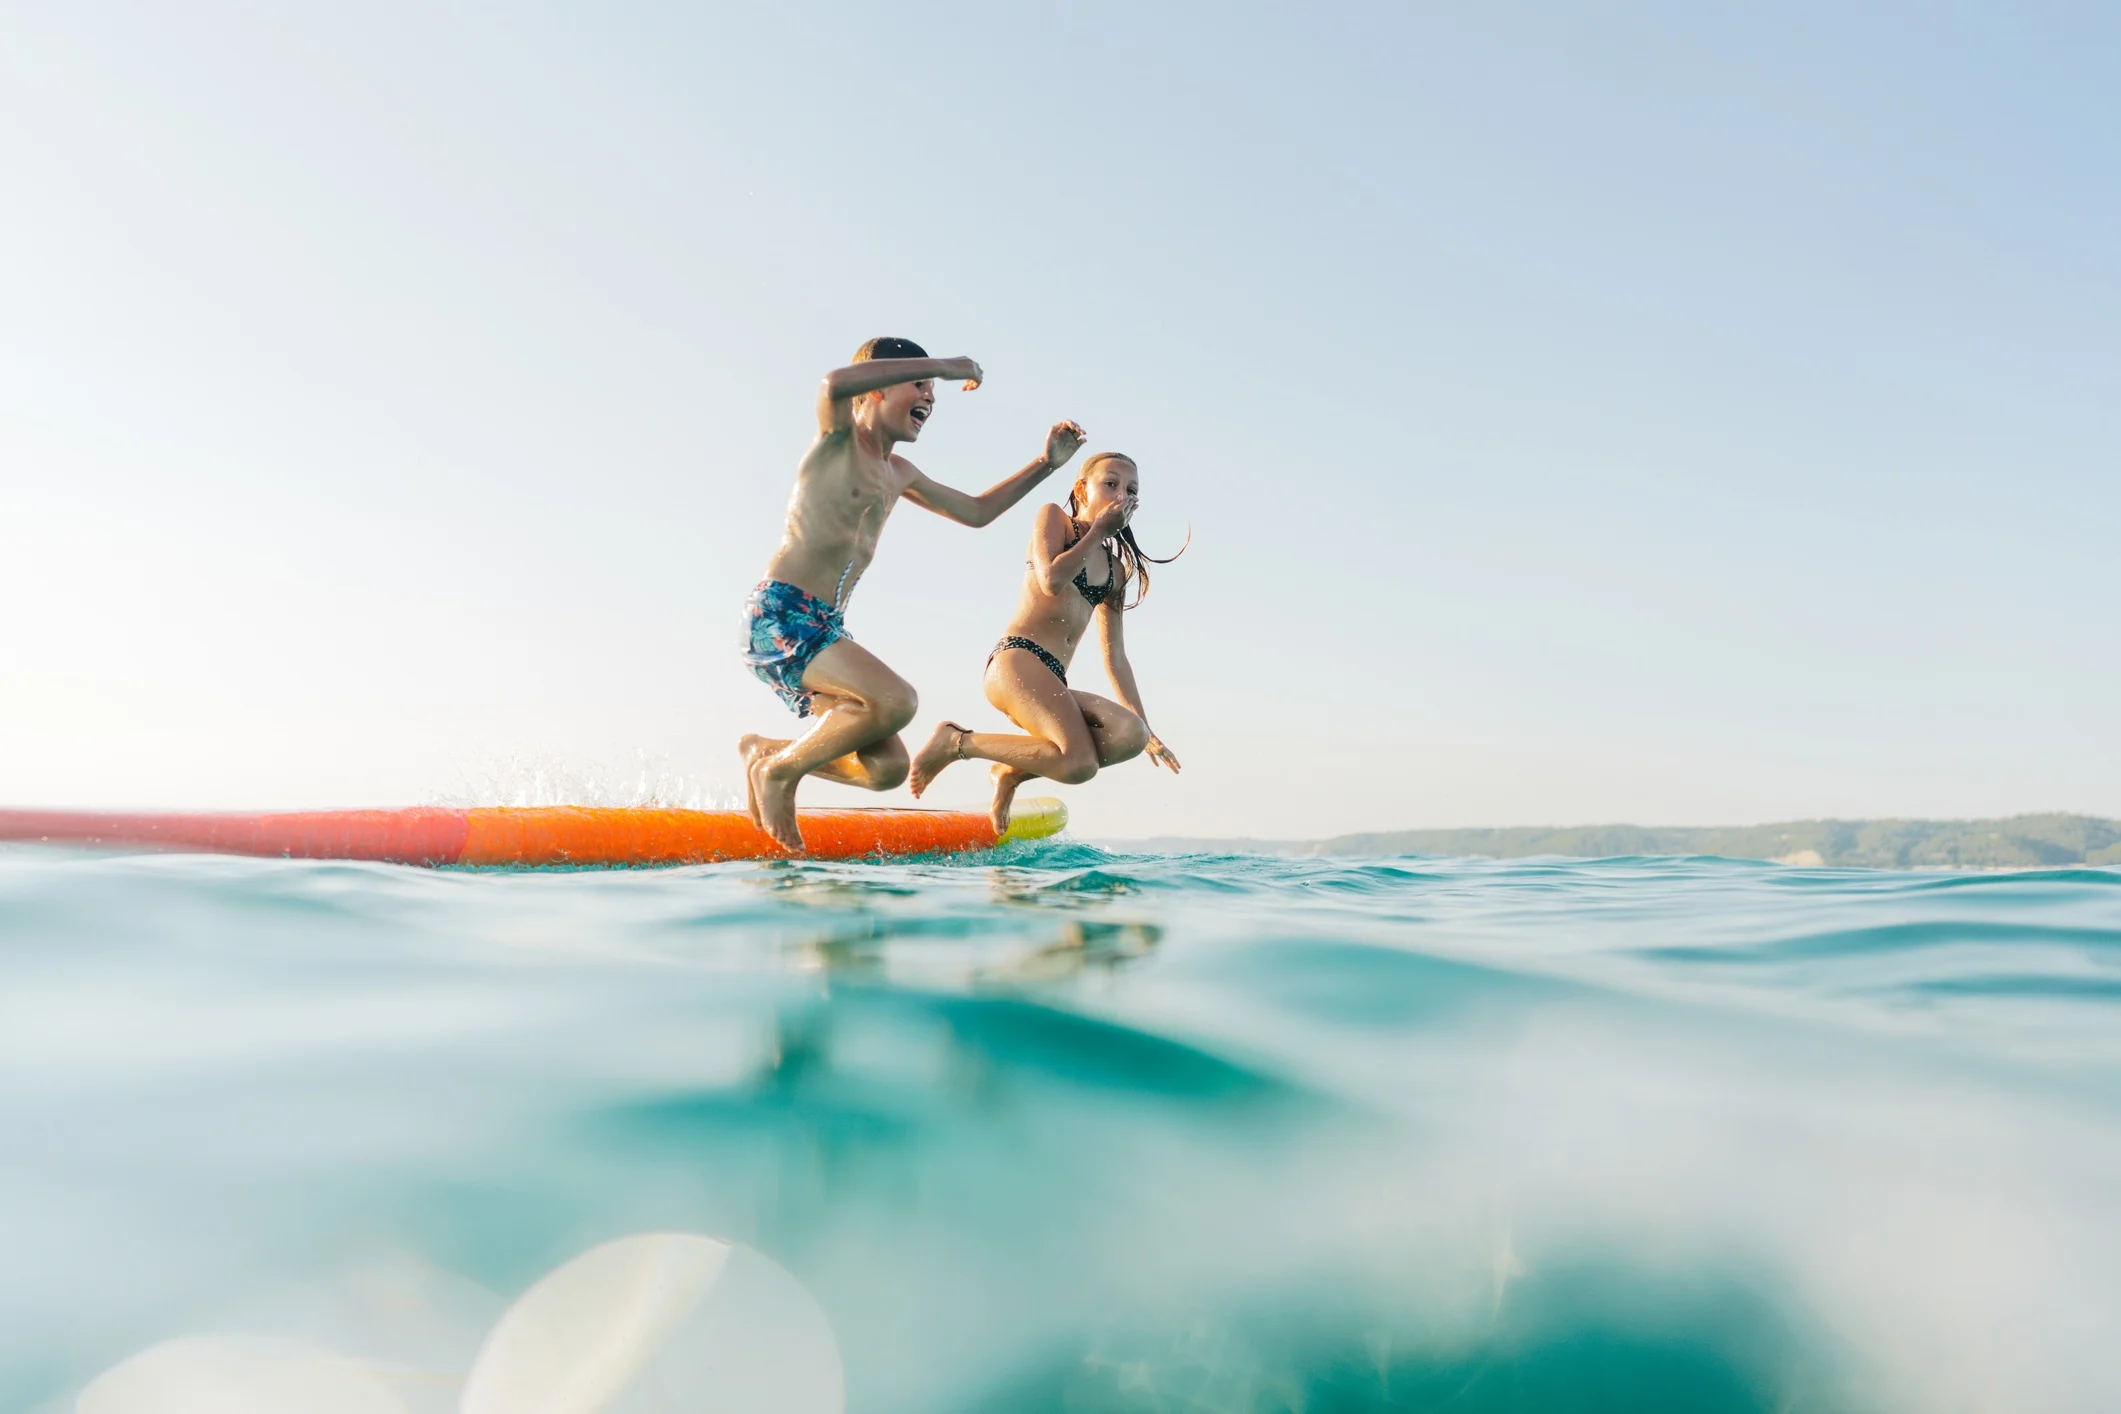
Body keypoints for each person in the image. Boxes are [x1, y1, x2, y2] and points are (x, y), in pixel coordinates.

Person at [739, 336, 1087, 851]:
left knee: (887, 769)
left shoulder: (898, 472)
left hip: (824, 629)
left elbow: (975, 512)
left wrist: (1046, 464)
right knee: (897, 700)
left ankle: (767, 755)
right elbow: (834, 384)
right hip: (782, 615)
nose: (930, 396)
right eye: (918, 385)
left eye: (933, 388)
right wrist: (946, 365)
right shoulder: (836, 441)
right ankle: (780, 775)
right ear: (877, 389)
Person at [907, 451, 1181, 830]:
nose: (1121, 495)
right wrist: (1098, 530)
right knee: (1078, 764)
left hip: (1053, 678)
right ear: (1081, 490)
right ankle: (957, 742)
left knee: (1130, 734)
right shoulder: (1056, 519)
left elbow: (1115, 657)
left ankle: (1010, 771)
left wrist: (1150, 731)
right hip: (1016, 661)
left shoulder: (1117, 571)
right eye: (1111, 484)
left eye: (1130, 490)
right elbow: (1050, 581)